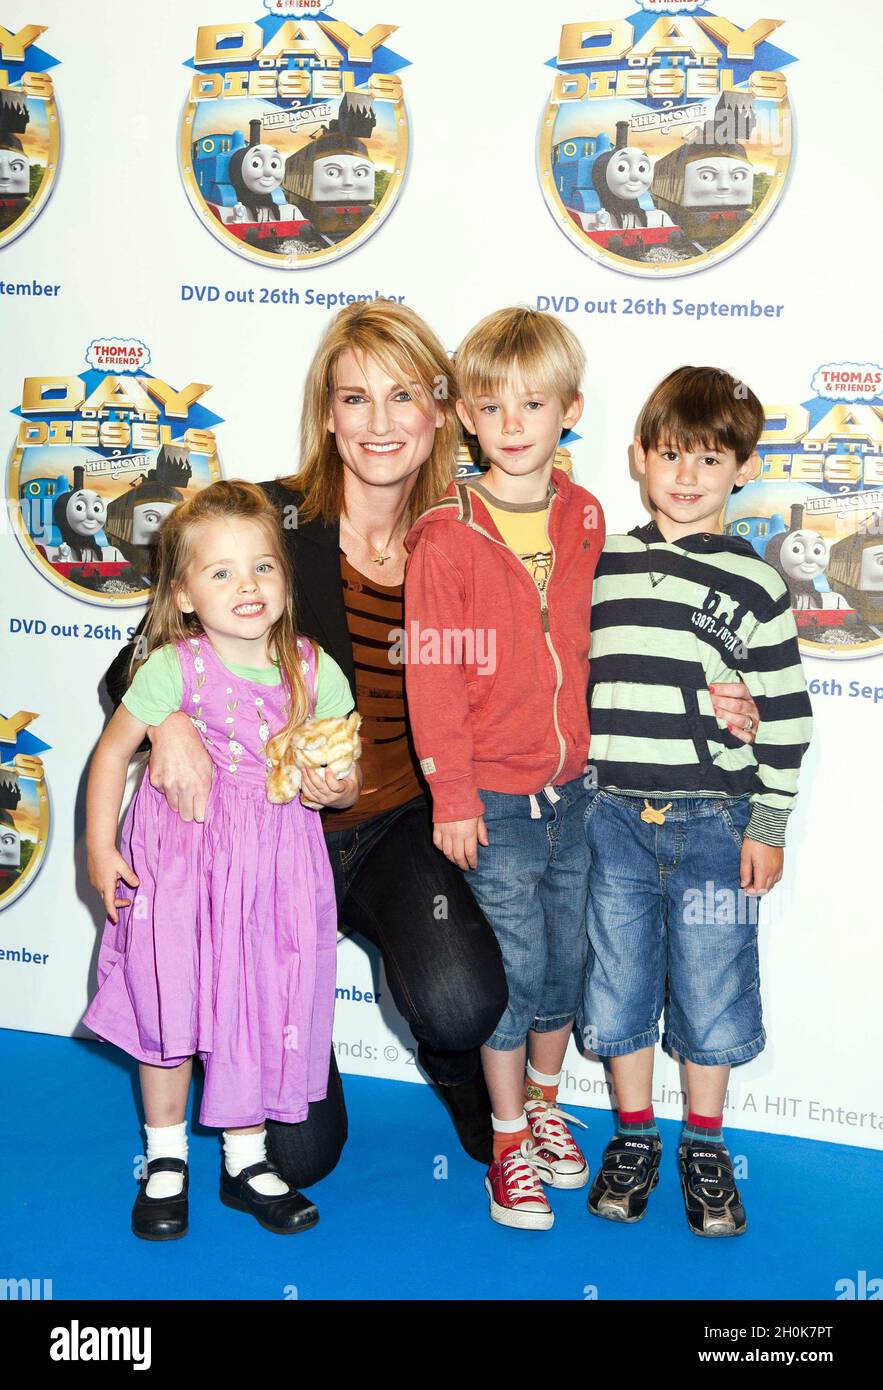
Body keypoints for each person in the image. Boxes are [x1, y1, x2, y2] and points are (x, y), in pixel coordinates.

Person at [103, 301, 511, 1179]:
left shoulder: (464, 536)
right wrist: (169, 725)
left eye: (402, 396)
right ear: (327, 414)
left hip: (396, 824)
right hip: (266, 847)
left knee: (457, 1002)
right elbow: (136, 662)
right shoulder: (272, 521)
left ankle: (462, 1080)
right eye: (353, 399)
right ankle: (251, 1039)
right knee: (299, 1156)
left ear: (439, 410)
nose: (378, 423)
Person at [84, 480, 360, 1239]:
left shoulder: (315, 669)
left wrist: (333, 786)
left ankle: (246, 1158)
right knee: (173, 1003)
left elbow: (344, 778)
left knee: (260, 1002)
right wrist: (99, 849)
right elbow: (112, 757)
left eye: (262, 568)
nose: (247, 586)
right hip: (181, 868)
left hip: (275, 875)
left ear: (284, 577)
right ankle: (165, 1156)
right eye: (221, 572)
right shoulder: (177, 666)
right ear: (181, 596)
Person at [582, 366, 813, 1237]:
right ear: (638, 459)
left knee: (712, 987)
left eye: (709, 460)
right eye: (670, 455)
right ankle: (634, 1135)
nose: (686, 476)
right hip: (609, 819)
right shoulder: (601, 566)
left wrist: (767, 820)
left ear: (742, 470)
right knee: (618, 985)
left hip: (715, 824)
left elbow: (787, 716)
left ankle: (705, 1144)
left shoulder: (755, 583)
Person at [404, 307, 606, 1230]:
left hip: (581, 791)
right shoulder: (445, 535)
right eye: (494, 405)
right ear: (466, 420)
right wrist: (451, 793)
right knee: (513, 972)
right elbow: (432, 675)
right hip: (492, 795)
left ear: (569, 410)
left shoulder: (586, 514)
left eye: (535, 403)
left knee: (568, 963)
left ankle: (551, 1102)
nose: (515, 422)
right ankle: (507, 1135)